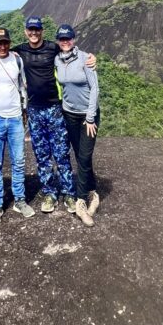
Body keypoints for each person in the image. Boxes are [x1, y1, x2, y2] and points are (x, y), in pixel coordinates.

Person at [11, 16, 76, 213]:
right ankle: (49, 193)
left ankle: (69, 193)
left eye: (37, 30)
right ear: (25, 31)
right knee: (42, 155)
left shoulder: (52, 48)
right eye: (30, 30)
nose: (33, 33)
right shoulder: (20, 50)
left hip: (54, 108)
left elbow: (72, 52)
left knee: (61, 152)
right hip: (34, 110)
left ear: (42, 31)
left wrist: (91, 58)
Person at [0, 26, 35, 225]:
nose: (2, 46)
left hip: (15, 118)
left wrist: (25, 110)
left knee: (18, 161)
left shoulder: (17, 60)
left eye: (5, 43)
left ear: (9, 44)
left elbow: (22, 86)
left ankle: (19, 200)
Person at [54, 24, 100, 227]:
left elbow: (95, 89)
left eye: (69, 39)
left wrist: (90, 117)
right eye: (62, 39)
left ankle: (81, 201)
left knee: (84, 156)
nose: (66, 42)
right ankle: (93, 192)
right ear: (58, 41)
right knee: (80, 154)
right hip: (69, 115)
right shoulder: (56, 59)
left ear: (74, 40)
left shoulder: (85, 59)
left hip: (87, 117)